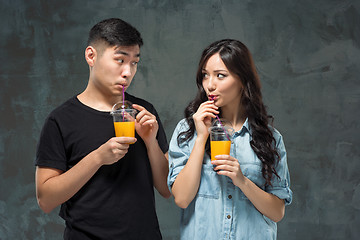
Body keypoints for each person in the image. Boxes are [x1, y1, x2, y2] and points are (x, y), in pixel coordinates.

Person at [35, 18, 170, 239]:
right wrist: (98, 157)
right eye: (120, 60)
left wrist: (150, 141)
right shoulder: (61, 120)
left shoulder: (144, 111)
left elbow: (166, 189)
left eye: (135, 62)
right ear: (91, 56)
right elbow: (46, 200)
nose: (128, 72)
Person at [167, 39, 292, 239]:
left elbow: (277, 212)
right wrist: (201, 138)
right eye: (205, 75)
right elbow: (181, 198)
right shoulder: (188, 130)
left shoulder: (269, 138)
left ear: (242, 79)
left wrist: (242, 181)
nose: (210, 85)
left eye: (220, 76)